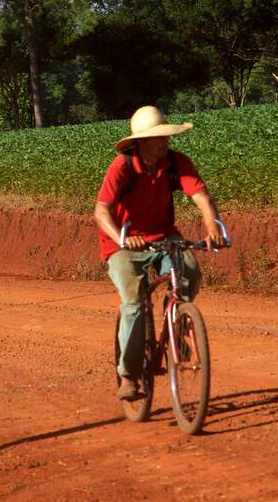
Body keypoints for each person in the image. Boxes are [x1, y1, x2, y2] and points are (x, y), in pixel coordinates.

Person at [93, 106, 226, 400]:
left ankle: (177, 323)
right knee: (134, 303)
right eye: (157, 136)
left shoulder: (176, 163)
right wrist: (123, 240)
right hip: (124, 243)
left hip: (164, 236)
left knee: (188, 271)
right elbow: (101, 211)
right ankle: (128, 375)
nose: (165, 140)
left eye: (166, 134)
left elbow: (201, 197)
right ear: (140, 141)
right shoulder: (123, 166)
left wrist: (213, 228)